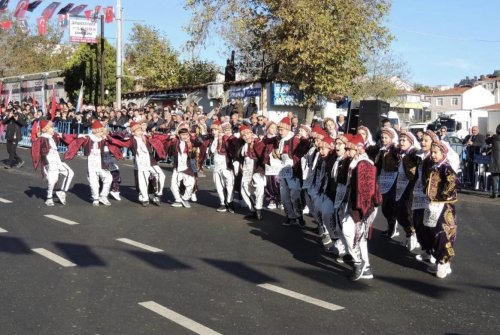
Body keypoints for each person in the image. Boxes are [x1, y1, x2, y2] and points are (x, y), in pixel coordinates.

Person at [343, 134, 382, 281]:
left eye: (350, 149)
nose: (347, 151)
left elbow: (366, 191)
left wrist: (363, 212)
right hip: (354, 204)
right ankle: (365, 267)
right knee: (358, 238)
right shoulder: (354, 162)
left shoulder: (364, 163)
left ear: (359, 149)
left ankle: (359, 263)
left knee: (352, 232)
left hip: (364, 207)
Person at [426, 141, 458, 279]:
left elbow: (452, 182)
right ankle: (440, 260)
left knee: (443, 233)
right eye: (432, 152)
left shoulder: (446, 167)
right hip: (434, 204)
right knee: (433, 232)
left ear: (443, 153)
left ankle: (444, 262)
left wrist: (443, 194)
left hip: (445, 206)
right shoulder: (435, 167)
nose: (432, 155)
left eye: (435, 152)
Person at [31, 120, 74, 206]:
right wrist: (46, 164)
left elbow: (66, 136)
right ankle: (49, 198)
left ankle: (62, 192)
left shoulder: (53, 136)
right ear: (46, 129)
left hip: (57, 161)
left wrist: (82, 136)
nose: (53, 129)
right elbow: (40, 152)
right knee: (52, 180)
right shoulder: (42, 138)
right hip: (50, 162)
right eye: (51, 128)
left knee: (70, 173)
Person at [375, 127, 400, 238]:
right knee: (384, 207)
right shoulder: (381, 149)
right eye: (382, 138)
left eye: (386, 138)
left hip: (394, 179)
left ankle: (393, 227)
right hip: (384, 178)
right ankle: (391, 225)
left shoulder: (394, 148)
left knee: (392, 205)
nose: (384, 140)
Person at [237, 125, 267, 220]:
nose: (246, 137)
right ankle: (253, 210)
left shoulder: (258, 142)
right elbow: (240, 156)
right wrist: (241, 163)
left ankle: (258, 210)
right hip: (246, 170)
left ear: (251, 133)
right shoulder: (243, 145)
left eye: (248, 134)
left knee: (259, 189)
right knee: (244, 191)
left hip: (257, 170)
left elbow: (263, 156)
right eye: (244, 135)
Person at [485, 124, 500, 198]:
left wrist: (489, 136)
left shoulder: (494, 137)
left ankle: (495, 193)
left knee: (494, 177)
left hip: (496, 160)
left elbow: (487, 141)